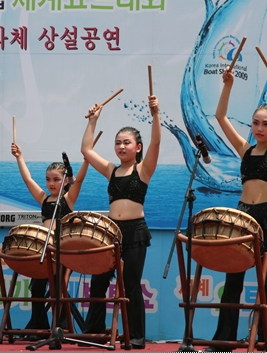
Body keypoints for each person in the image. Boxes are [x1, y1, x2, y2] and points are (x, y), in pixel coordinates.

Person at [208, 68, 267, 352]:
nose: (259, 128)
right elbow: (220, 117)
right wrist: (228, 85)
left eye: (266, 124)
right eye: (255, 123)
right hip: (242, 217)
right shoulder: (245, 150)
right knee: (233, 277)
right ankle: (224, 340)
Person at [80, 94, 161, 349]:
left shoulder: (143, 169)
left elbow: (156, 141)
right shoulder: (111, 170)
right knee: (98, 282)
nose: (121, 147)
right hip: (111, 233)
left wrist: (155, 114)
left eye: (127, 143)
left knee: (130, 285)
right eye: (118, 143)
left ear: (138, 147)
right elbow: (86, 150)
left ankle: (135, 336)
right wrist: (93, 120)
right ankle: (93, 332)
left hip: (135, 232)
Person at [10, 143, 89, 336]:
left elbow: (79, 181)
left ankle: (60, 327)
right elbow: (28, 179)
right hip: (44, 250)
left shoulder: (68, 199)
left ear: (65, 180)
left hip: (63, 251)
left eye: (56, 179)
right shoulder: (44, 200)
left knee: (58, 290)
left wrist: (87, 160)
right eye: (48, 179)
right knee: (36, 287)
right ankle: (39, 326)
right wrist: (19, 157)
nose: (51, 183)